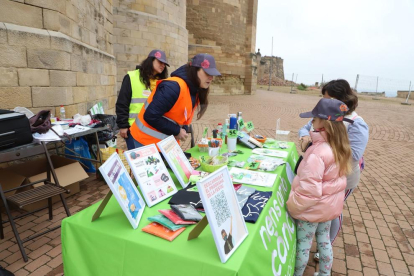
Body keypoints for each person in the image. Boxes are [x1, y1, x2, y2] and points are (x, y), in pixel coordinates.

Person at [298, 79, 369, 261]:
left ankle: (326, 246)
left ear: (342, 100)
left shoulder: (356, 123)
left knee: (333, 210)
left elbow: (352, 155)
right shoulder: (325, 113)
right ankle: (321, 239)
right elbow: (306, 128)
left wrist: (320, 146)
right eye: (324, 98)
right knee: (323, 208)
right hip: (322, 175)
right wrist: (306, 137)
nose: (324, 102)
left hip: (342, 179)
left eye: (328, 98)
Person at [287, 98, 352, 276]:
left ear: (323, 123)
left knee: (303, 246)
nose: (311, 123)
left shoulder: (317, 152)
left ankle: (297, 273)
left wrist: (292, 205)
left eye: (314, 119)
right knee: (324, 241)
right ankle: (324, 273)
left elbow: (309, 191)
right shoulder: (341, 147)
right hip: (329, 208)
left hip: (312, 211)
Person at [129, 53, 221, 148]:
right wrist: (177, 131)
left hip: (164, 144)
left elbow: (182, 116)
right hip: (144, 142)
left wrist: (183, 128)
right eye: (207, 73)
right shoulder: (173, 87)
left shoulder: (194, 90)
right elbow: (151, 116)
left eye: (213, 74)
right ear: (194, 70)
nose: (211, 77)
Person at [116, 50, 169, 150]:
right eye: (160, 62)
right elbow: (122, 103)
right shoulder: (131, 77)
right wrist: (123, 125)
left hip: (154, 130)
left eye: (164, 64)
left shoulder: (162, 83)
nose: (163, 65)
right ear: (150, 61)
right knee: (138, 162)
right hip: (134, 129)